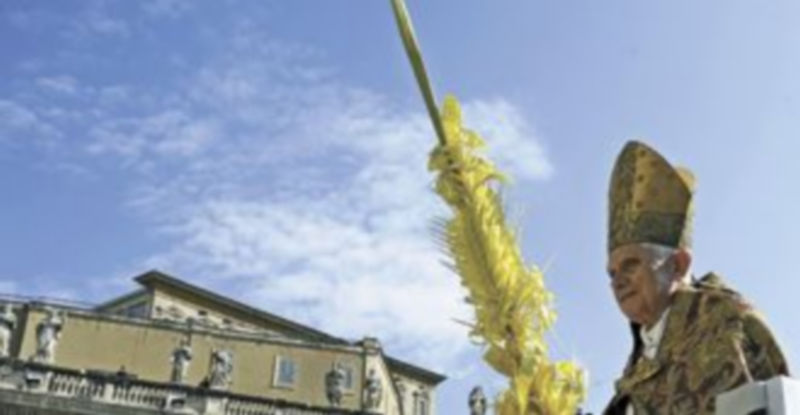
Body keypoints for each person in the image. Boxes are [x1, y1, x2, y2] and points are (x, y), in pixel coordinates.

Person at [602, 141, 789, 414]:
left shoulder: (728, 324)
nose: (618, 281)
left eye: (631, 265)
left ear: (678, 265)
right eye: (612, 273)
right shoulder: (635, 369)